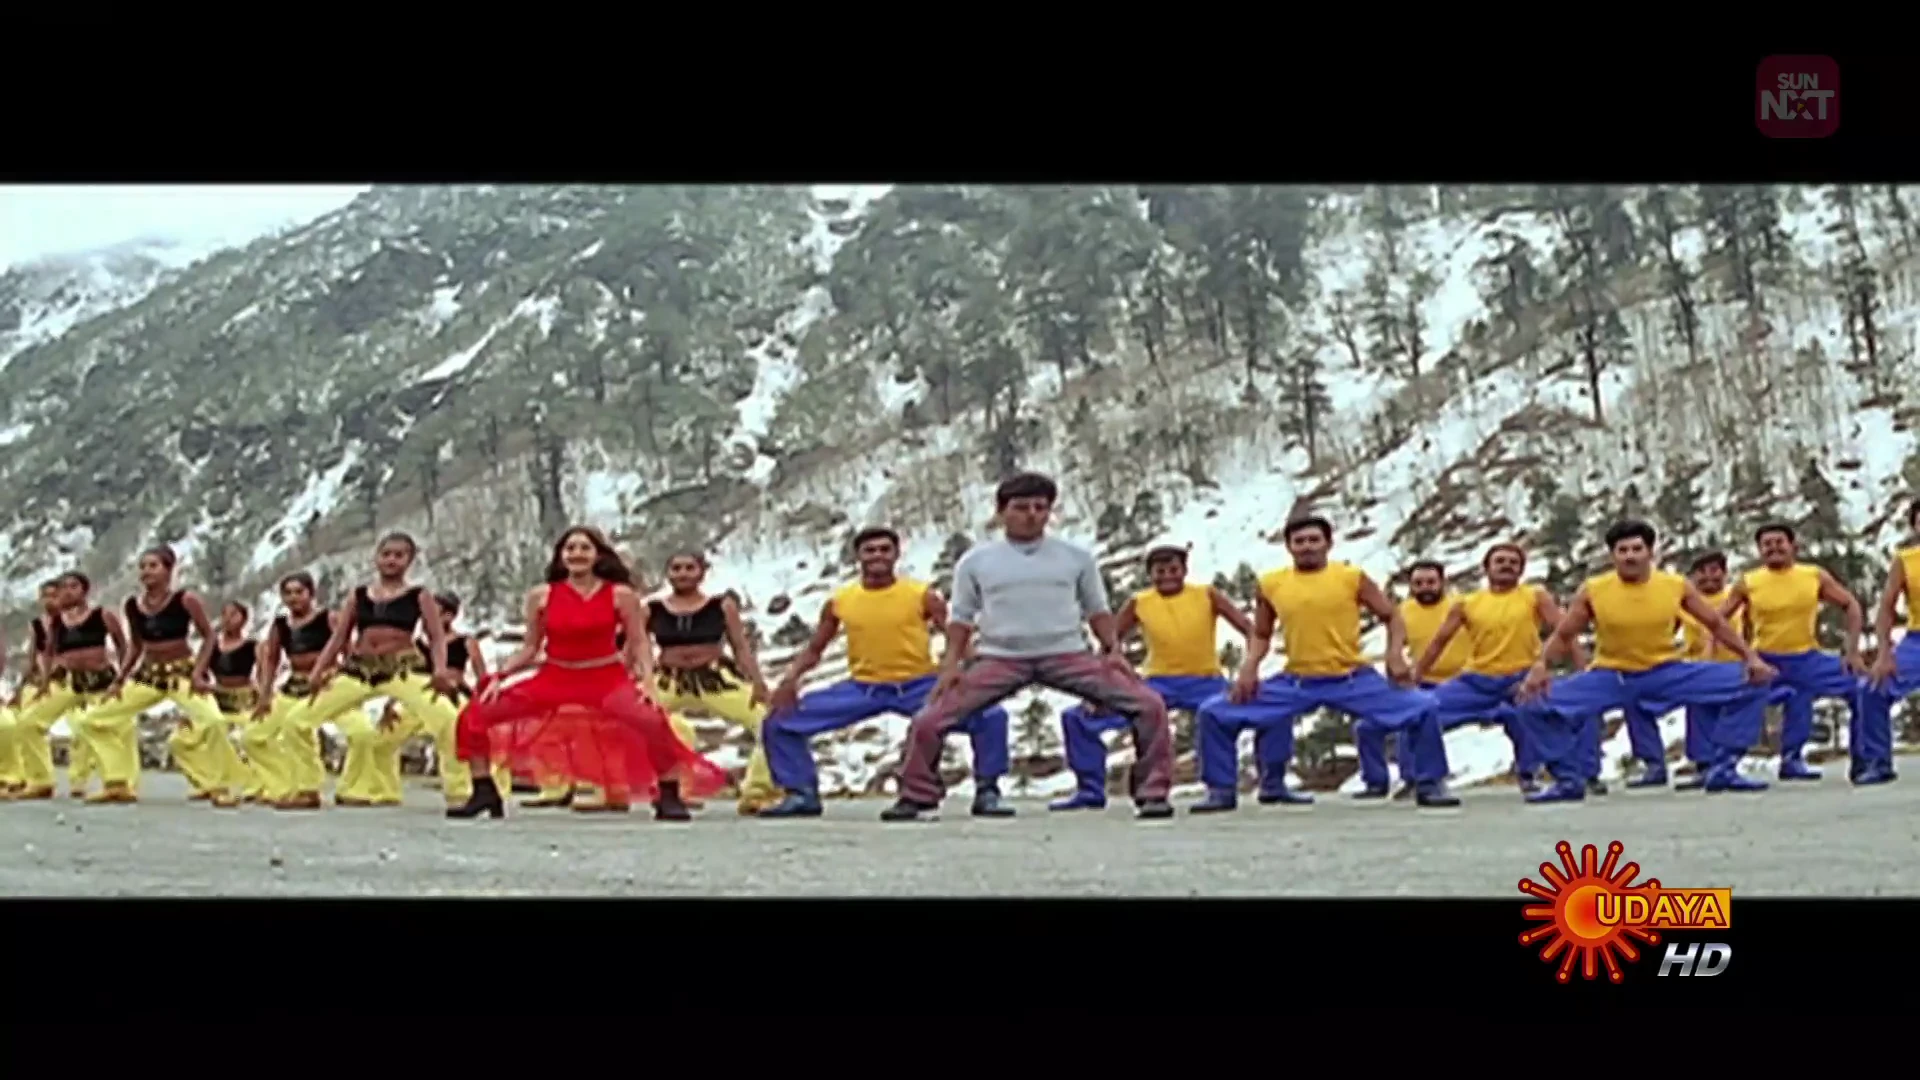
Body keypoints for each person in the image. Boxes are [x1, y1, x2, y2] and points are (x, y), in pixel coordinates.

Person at [886, 472, 1175, 821]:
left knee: (1149, 705)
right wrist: (950, 666)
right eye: (1021, 507)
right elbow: (960, 618)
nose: (1032, 515)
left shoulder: (1076, 558)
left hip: (1067, 653)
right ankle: (917, 795)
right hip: (1000, 658)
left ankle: (1153, 793)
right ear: (1001, 512)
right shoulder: (976, 562)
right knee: (929, 718)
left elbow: (1097, 610)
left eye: (1040, 507)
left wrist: (1113, 651)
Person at [449, 526, 729, 820]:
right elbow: (530, 648)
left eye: (585, 548)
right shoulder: (541, 596)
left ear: (598, 555)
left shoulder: (621, 595)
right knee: (476, 713)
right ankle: (483, 790)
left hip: (606, 679)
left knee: (651, 720)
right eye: (570, 548)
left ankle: (668, 794)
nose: (577, 554)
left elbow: (639, 642)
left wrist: (647, 682)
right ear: (561, 556)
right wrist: (500, 676)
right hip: (554, 678)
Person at [1192, 516, 1459, 812]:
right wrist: (1249, 666)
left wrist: (1394, 654)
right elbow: (1262, 633)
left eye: (1314, 540)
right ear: (1289, 547)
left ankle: (1430, 783)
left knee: (1423, 707)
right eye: (1299, 541)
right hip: (1297, 681)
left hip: (1352, 679)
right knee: (1214, 712)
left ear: (1328, 544)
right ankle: (1220, 791)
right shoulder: (1271, 584)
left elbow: (1392, 616)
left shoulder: (1351, 577)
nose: (1307, 547)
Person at [758, 526, 1016, 818]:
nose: (877, 556)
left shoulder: (921, 595)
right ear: (857, 556)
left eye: (884, 550)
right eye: (870, 550)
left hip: (919, 686)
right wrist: (790, 680)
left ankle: (987, 790)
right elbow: (816, 647)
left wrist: (969, 672)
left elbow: (956, 636)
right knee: (780, 721)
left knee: (991, 716)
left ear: (896, 554)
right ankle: (801, 793)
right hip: (863, 689)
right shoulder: (841, 601)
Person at [1518, 520, 1777, 801]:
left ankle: (1724, 767)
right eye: (1622, 550)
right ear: (1612, 555)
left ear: (1650, 552)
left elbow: (1715, 623)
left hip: (1665, 672)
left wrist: (1750, 657)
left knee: (1754, 680)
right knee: (1530, 701)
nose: (1630, 556)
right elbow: (1565, 633)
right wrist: (1540, 666)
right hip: (1612, 676)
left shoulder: (1674, 585)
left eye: (1636, 549)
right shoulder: (1594, 589)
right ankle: (1568, 778)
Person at [1049, 543, 1254, 811]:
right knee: (1078, 717)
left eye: (1173, 570)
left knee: (1258, 711)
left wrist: (1250, 668)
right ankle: (1090, 790)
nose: (1167, 576)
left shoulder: (1207, 595)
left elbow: (1249, 629)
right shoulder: (1140, 603)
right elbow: (1110, 642)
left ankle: (1225, 790)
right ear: (1150, 574)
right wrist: (1104, 681)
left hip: (1206, 681)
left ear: (1184, 570)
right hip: (1158, 683)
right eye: (1160, 571)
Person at [292, 533, 462, 807]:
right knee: (296, 720)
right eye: (386, 554)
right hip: (359, 670)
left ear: (409, 560)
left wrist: (439, 670)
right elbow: (339, 638)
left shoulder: (419, 596)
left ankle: (459, 791)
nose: (391, 560)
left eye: (399, 555)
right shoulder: (359, 595)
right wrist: (317, 672)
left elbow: (436, 637)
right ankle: (306, 788)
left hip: (402, 669)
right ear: (376, 558)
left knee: (448, 719)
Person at [66, 549, 245, 806]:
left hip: (181, 674)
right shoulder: (132, 605)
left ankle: (222, 785)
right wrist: (120, 680)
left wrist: (198, 672)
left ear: (169, 570)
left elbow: (209, 637)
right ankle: (118, 782)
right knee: (92, 720)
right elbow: (136, 646)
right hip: (148, 676)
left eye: (153, 566)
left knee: (213, 720)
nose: (146, 571)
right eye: (143, 566)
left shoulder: (185, 600)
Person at [1395, 543, 1574, 797]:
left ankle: (1547, 777)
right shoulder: (1467, 603)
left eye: (1513, 562)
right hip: (1477, 681)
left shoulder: (1535, 596)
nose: (1506, 565)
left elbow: (1564, 631)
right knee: (1422, 709)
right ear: (1486, 568)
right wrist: (1416, 676)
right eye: (1500, 561)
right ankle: (1428, 781)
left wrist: (1551, 665)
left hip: (1522, 678)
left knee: (1538, 713)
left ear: (1521, 569)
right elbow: (1438, 643)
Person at [1716, 522, 1865, 782]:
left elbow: (1850, 605)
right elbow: (1717, 621)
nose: (1773, 548)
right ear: (1759, 550)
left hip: (1808, 658)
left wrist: (1852, 651)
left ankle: (1863, 761)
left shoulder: (1813, 576)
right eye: (1767, 544)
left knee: (1862, 688)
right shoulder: (1749, 581)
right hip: (1766, 660)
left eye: (1779, 542)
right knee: (1742, 700)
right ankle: (1723, 766)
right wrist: (1745, 655)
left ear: (1792, 546)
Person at [644, 553, 781, 815]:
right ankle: (671, 788)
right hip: (669, 678)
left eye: (689, 568)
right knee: (642, 721)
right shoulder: (652, 609)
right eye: (676, 568)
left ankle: (758, 791)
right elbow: (637, 647)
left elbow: (740, 647)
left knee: (768, 720)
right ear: (667, 573)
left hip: (715, 678)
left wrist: (758, 683)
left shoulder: (722, 606)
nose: (683, 573)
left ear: (702, 572)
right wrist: (641, 680)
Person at [367, 591, 508, 806]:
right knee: (381, 739)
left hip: (454, 695)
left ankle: (461, 791)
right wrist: (391, 704)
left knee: (454, 737)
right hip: (419, 697)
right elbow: (404, 677)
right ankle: (385, 791)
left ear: (449, 616)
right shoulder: (416, 645)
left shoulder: (465, 642)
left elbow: (482, 677)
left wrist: (484, 704)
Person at [1354, 559, 1472, 800]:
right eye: (1418, 583)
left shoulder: (1463, 608)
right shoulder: (1402, 613)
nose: (1425, 588)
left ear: (1443, 582)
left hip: (1463, 684)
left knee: (1415, 717)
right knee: (1365, 727)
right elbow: (1394, 649)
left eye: (1431, 582)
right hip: (1420, 683)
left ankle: (1420, 780)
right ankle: (1376, 783)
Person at [10, 575, 128, 799]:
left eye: (74, 586)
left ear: (85, 590)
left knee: (103, 726)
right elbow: (49, 653)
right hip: (71, 683)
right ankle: (40, 781)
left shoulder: (102, 615)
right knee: (28, 722)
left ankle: (117, 783)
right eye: (64, 587)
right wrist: (45, 683)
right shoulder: (57, 622)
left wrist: (122, 678)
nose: (67, 591)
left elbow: (123, 646)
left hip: (101, 682)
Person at [248, 573, 342, 810]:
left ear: (311, 594)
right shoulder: (280, 625)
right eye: (288, 593)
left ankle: (309, 788)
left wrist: (334, 676)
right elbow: (271, 660)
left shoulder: (328, 618)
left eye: (299, 592)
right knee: (253, 736)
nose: (294, 598)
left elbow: (348, 652)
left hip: (328, 686)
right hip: (293, 686)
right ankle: (283, 786)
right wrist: (265, 694)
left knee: (358, 731)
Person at [1855, 502, 1920, 785]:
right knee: (1872, 687)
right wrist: (1884, 653)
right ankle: (1878, 763)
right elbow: (1886, 609)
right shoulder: (1905, 560)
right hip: (1917, 642)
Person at [198, 602, 270, 802]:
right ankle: (208, 782)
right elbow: (199, 673)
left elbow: (263, 674)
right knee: (183, 739)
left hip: (243, 701)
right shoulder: (211, 646)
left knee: (247, 738)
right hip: (217, 700)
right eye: (224, 615)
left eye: (233, 615)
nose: (228, 619)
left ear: (244, 620)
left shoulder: (254, 646)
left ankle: (254, 783)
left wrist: (263, 697)